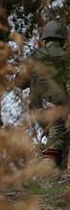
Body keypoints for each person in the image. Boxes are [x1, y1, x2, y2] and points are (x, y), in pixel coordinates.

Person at [20, 20, 70, 168]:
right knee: (57, 137)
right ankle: (46, 168)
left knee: (56, 136)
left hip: (36, 110)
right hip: (57, 108)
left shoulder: (33, 57)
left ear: (45, 39)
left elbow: (19, 83)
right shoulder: (65, 57)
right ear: (63, 39)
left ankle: (55, 169)